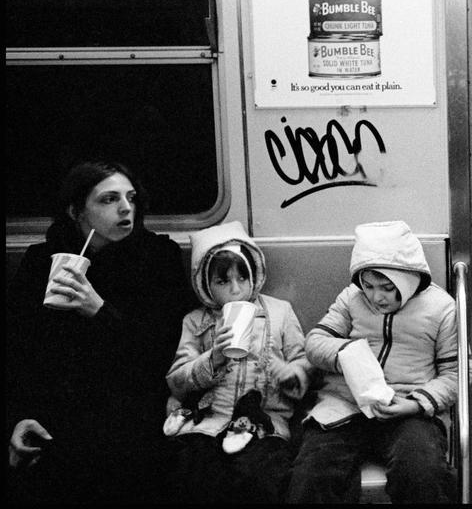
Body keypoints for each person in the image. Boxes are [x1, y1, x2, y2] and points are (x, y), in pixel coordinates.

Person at [5, 160, 194, 503]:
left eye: (131, 197)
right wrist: (18, 417)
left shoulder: (157, 259)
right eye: (108, 200)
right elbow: (21, 353)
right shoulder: (42, 262)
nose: (126, 208)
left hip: (132, 405)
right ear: (77, 211)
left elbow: (161, 355)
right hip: (58, 407)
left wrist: (99, 310)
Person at [286, 220, 458, 503]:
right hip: (345, 406)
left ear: (408, 280)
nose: (376, 297)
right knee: (313, 475)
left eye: (387, 287)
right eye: (368, 285)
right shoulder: (352, 299)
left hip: (407, 409)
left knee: (421, 474)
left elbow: (455, 374)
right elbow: (315, 344)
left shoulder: (441, 308)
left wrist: (415, 403)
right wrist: (348, 355)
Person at [164, 220, 312, 504]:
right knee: (193, 476)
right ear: (205, 284)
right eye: (222, 281)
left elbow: (302, 363)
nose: (235, 289)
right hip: (208, 422)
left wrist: (290, 374)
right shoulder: (196, 321)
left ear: (253, 276)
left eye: (242, 278)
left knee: (259, 479)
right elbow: (177, 380)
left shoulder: (280, 313)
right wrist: (213, 357)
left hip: (264, 425)